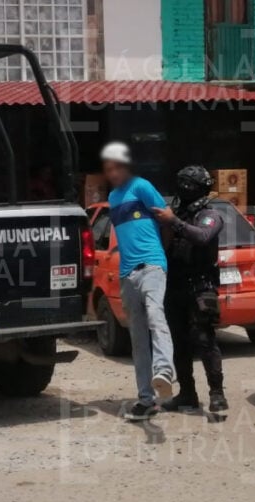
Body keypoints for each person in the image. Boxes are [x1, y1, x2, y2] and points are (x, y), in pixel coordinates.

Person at [101, 141, 175, 421]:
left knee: (156, 317)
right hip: (127, 274)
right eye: (108, 169)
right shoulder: (113, 198)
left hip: (152, 265)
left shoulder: (142, 186)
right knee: (138, 338)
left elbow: (167, 219)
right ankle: (146, 399)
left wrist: (160, 255)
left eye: (116, 167)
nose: (113, 173)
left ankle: (164, 372)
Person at [151, 166, 228, 413]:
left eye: (187, 184)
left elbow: (203, 236)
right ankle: (187, 394)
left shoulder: (209, 214)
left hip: (200, 286)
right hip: (175, 285)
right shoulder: (175, 213)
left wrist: (173, 222)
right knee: (178, 342)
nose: (182, 188)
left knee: (204, 339)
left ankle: (217, 394)